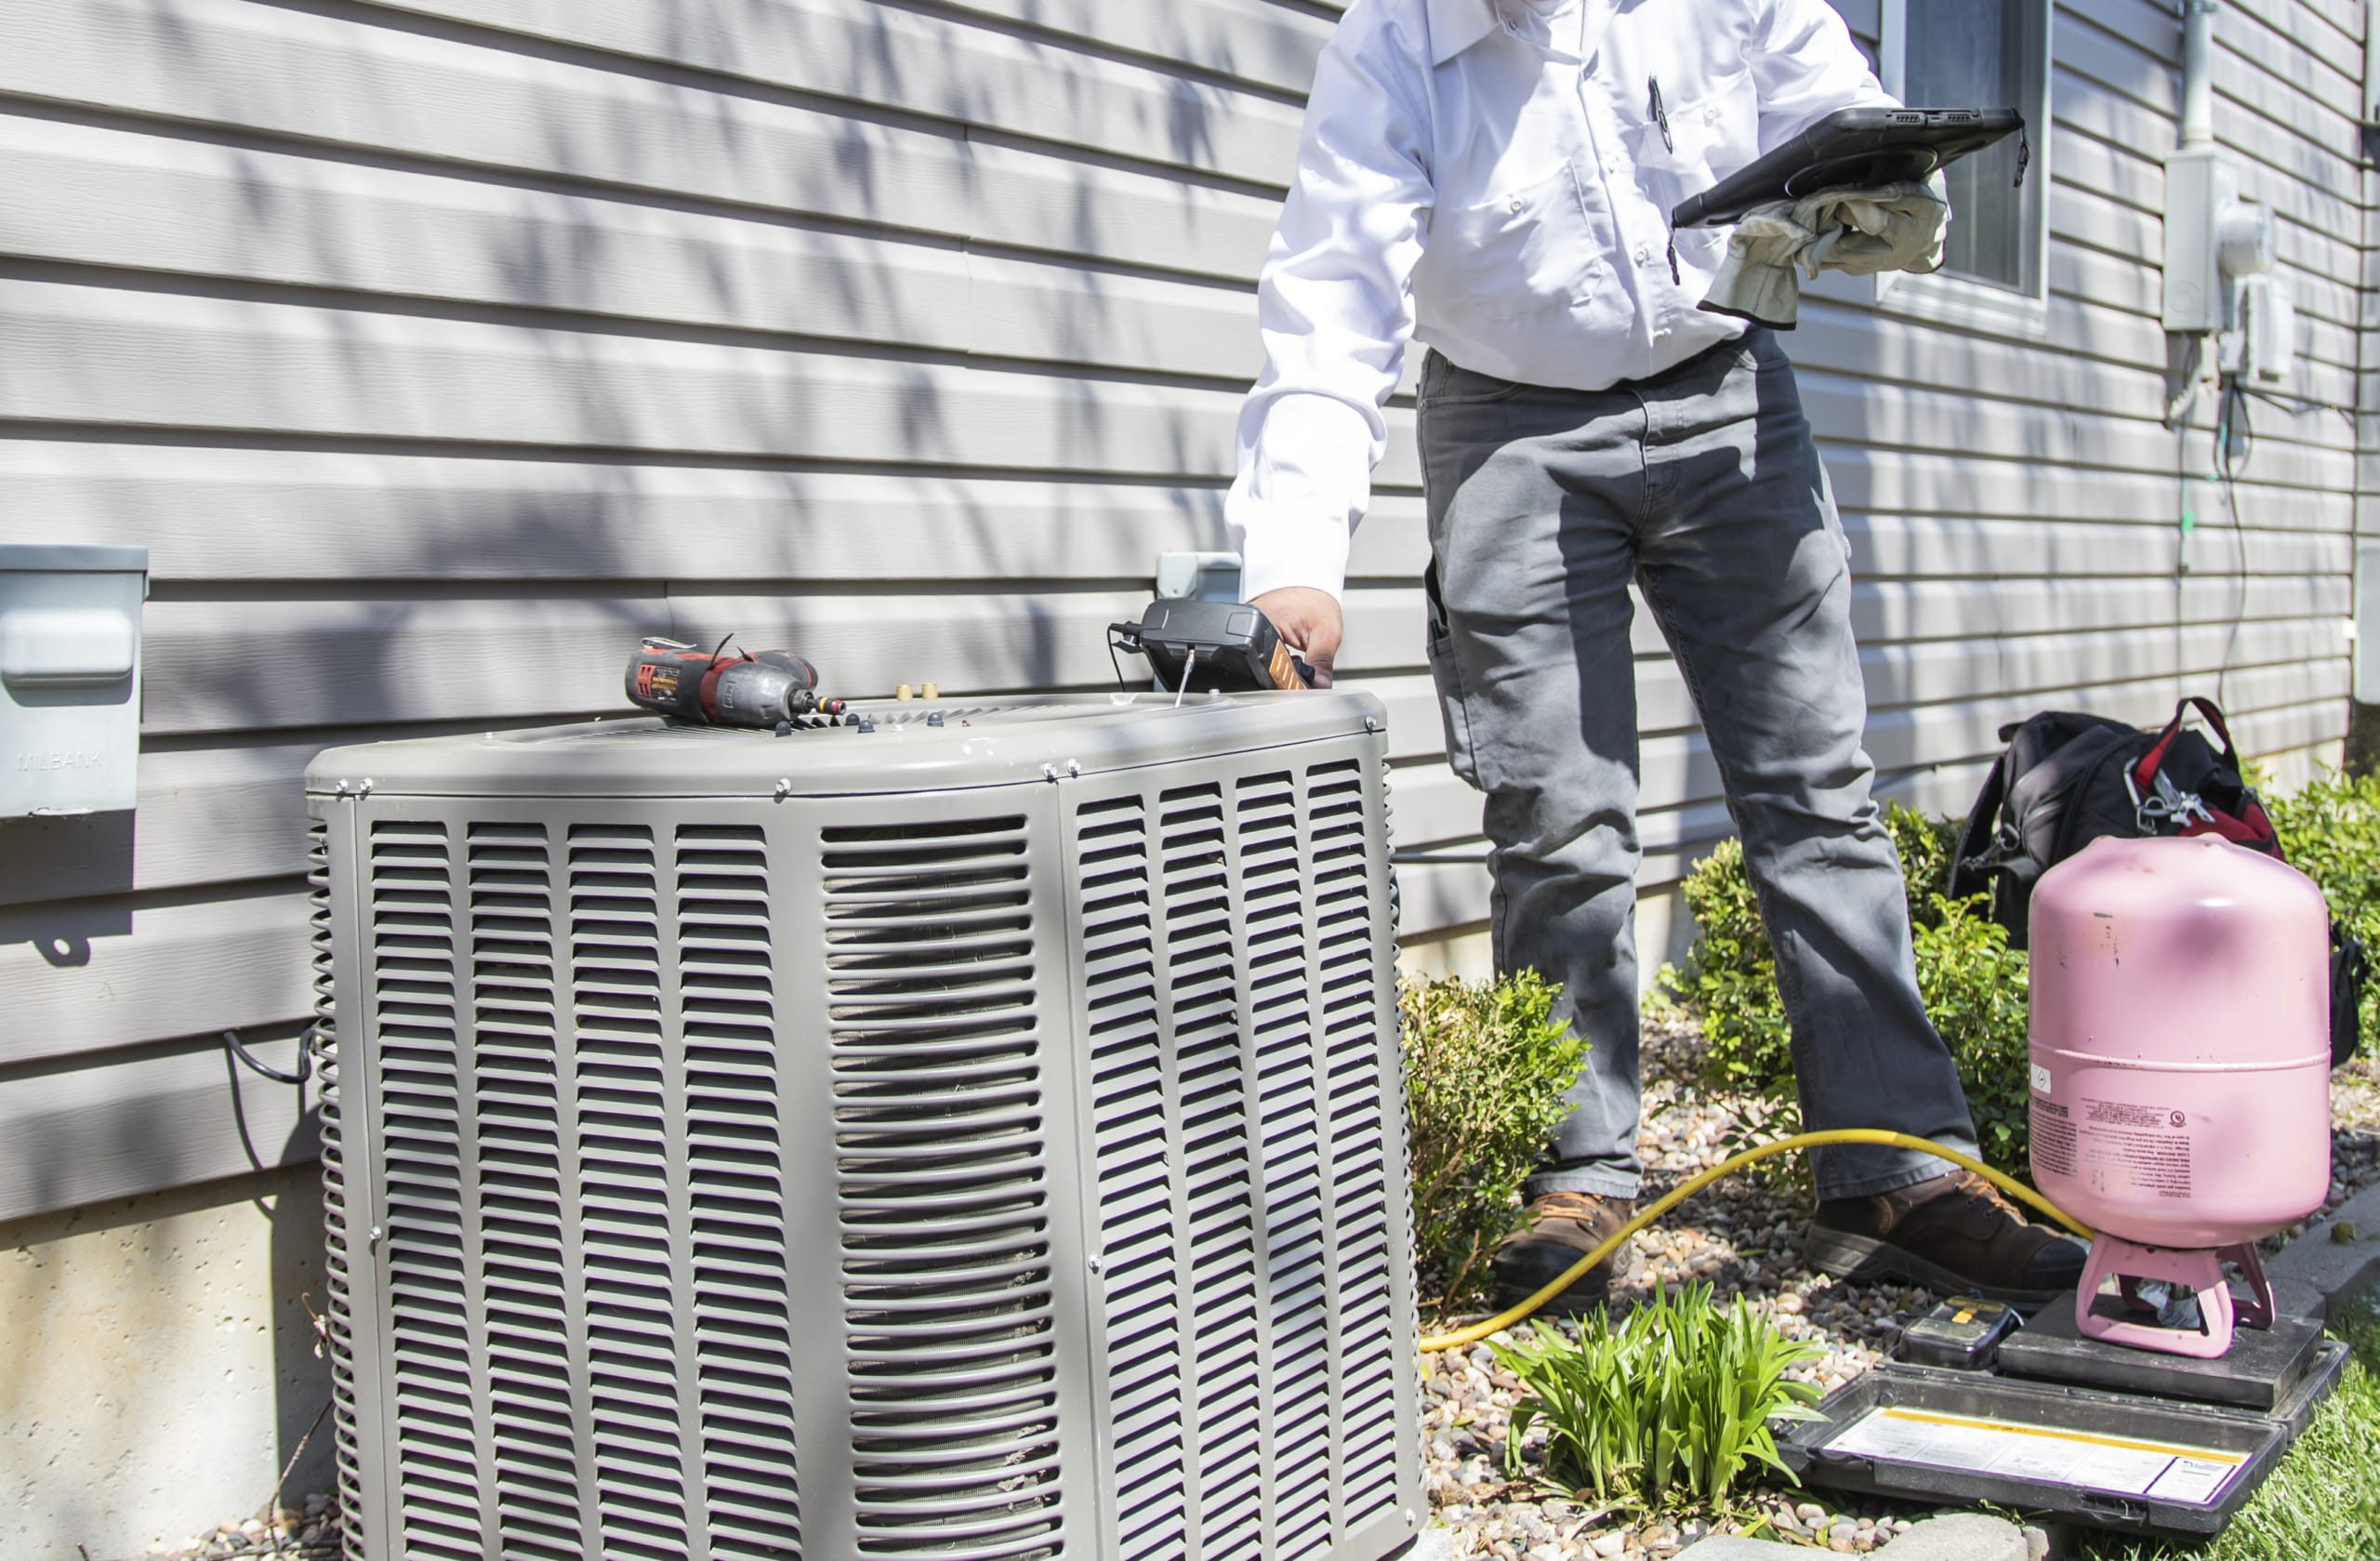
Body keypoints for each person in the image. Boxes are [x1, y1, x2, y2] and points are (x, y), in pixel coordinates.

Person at [1227, 0, 2084, 1307]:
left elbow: (1836, 119)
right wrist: (1296, 562)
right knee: (1558, 819)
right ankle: (1577, 1184)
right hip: (1510, 425)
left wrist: (1879, 196)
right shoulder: (1395, 45)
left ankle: (1895, 1170)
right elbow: (1331, 293)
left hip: (1725, 386)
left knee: (1818, 793)